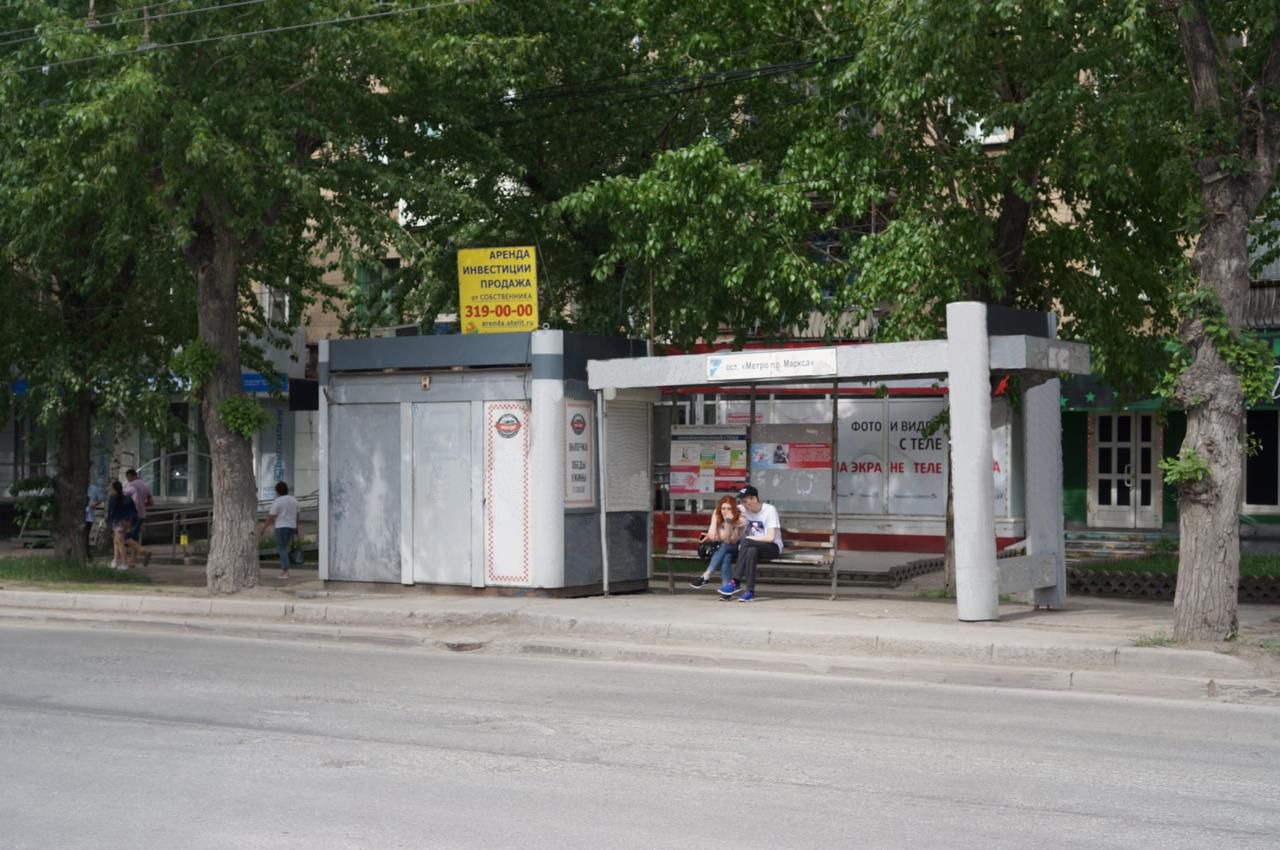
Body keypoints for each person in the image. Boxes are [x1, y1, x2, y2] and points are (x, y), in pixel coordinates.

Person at [719, 485, 783, 603]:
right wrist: (719, 524)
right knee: (751, 551)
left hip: (772, 547)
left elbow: (771, 537)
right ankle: (750, 592)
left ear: (754, 499)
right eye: (741, 501)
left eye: (745, 501)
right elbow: (719, 510)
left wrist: (749, 538)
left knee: (746, 541)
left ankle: (735, 581)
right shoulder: (743, 509)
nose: (743, 504)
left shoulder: (770, 510)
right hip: (752, 547)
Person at [688, 495, 746, 589]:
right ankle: (726, 590)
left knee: (725, 546)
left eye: (729, 508)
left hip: (739, 548)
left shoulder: (740, 518)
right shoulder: (716, 513)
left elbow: (731, 540)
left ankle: (706, 576)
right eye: (723, 508)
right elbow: (712, 534)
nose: (725, 511)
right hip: (724, 548)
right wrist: (718, 535)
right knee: (726, 556)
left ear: (734, 509)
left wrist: (728, 522)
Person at [259, 481, 300, 579]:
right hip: (291, 526)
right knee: (285, 548)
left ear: (277, 491)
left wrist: (263, 528)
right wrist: (297, 526)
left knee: (282, 548)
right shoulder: (294, 500)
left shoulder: (278, 501)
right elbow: (298, 515)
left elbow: (271, 516)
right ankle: (285, 569)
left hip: (281, 526)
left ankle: (285, 571)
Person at [122, 468, 153, 568]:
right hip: (142, 515)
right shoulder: (145, 485)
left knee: (126, 537)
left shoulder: (131, 486)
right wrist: (143, 505)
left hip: (132, 515)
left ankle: (144, 551)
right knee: (134, 538)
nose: (128, 479)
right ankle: (132, 562)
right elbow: (151, 502)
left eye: (128, 477)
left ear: (132, 476)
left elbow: (123, 498)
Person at [105, 480, 138, 570]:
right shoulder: (127, 498)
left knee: (120, 542)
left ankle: (124, 563)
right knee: (116, 541)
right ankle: (115, 561)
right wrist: (130, 521)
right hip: (126, 522)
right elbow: (133, 511)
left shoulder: (113, 498)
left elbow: (111, 512)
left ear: (114, 489)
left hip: (118, 523)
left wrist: (109, 522)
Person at [85, 471, 104, 560]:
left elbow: (100, 499)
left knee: (86, 535)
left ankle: (87, 553)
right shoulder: (76, 489)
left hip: (89, 516)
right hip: (78, 516)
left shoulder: (94, 488)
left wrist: (94, 504)